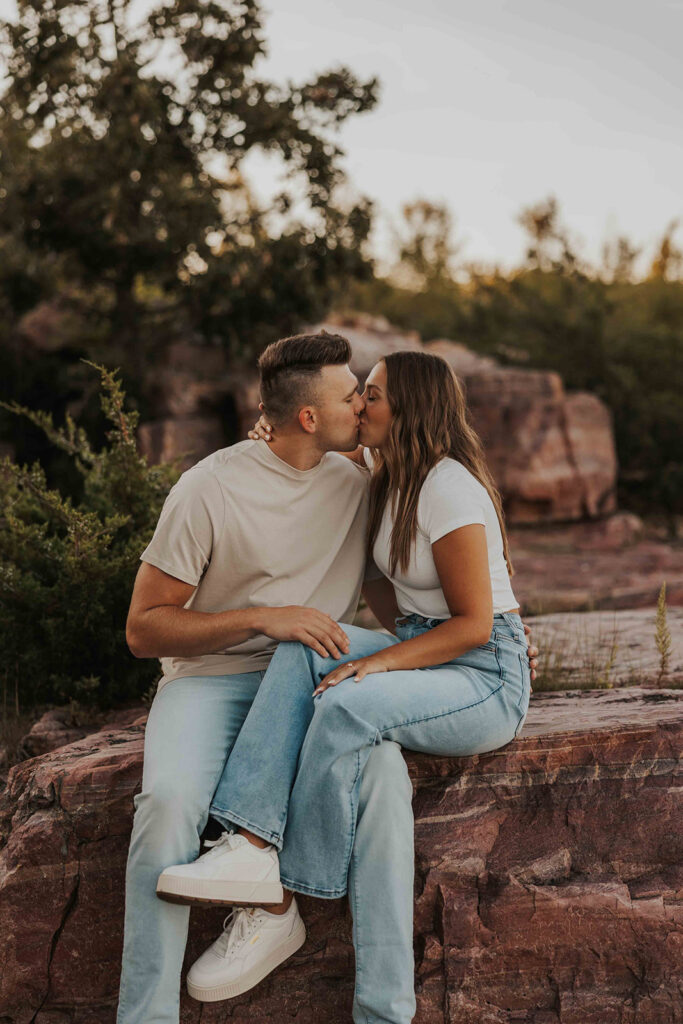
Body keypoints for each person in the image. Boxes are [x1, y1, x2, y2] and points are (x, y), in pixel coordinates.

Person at [157, 350, 535, 1020]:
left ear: (409, 409)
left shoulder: (447, 488)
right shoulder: (383, 474)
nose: (360, 405)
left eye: (375, 395)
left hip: (484, 674)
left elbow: (475, 624)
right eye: (357, 394)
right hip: (425, 648)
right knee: (305, 644)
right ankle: (246, 848)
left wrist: (382, 665)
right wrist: (268, 434)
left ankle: (289, 881)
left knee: (346, 701)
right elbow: (379, 582)